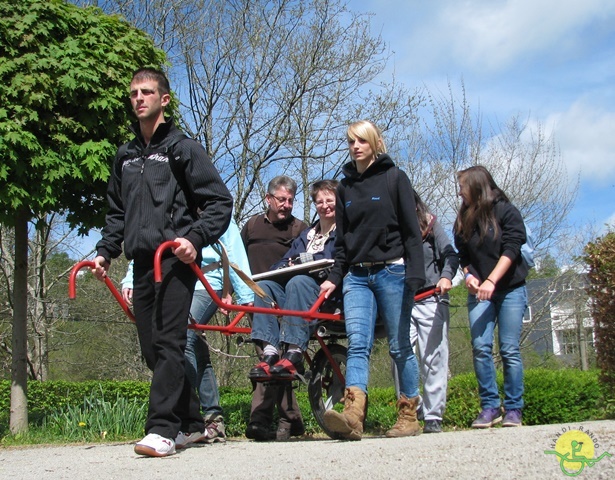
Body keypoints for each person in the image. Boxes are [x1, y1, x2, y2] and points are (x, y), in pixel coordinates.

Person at [91, 68, 233, 457]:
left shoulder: (182, 148)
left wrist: (194, 239)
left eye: (147, 92)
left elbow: (220, 202)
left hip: (173, 261)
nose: (139, 98)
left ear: (164, 100)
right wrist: (105, 252)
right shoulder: (125, 155)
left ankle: (161, 430)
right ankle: (190, 423)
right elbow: (117, 214)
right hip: (141, 263)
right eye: (134, 92)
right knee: (152, 350)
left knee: (171, 343)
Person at [320, 120, 425, 440]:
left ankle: (408, 416)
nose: (355, 146)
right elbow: (342, 242)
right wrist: (334, 277)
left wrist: (416, 273)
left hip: (393, 271)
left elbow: (411, 231)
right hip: (357, 277)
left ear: (375, 143)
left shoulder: (395, 178)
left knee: (399, 346)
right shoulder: (346, 188)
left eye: (361, 141)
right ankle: (353, 415)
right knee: (358, 345)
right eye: (351, 141)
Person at [120, 218, 253, 444]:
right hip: (172, 279)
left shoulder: (215, 214)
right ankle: (211, 417)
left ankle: (184, 418)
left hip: (206, 283)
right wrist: (130, 278)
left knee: (183, 340)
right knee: (191, 348)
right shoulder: (170, 211)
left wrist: (247, 297)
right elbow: (147, 247)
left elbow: (235, 253)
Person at [453, 165, 529, 428]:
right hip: (480, 292)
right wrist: (470, 276)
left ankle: (514, 408)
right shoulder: (463, 218)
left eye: (462, 186)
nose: (459, 192)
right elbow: (463, 254)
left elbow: (512, 249)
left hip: (510, 289)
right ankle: (489, 407)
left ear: (476, 186)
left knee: (509, 349)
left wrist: (491, 281)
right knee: (481, 348)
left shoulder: (506, 211)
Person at [249, 179, 338, 382]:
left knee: (298, 281)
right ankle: (270, 350)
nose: (325, 206)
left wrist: (308, 262)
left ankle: (295, 351)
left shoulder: (342, 234)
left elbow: (339, 260)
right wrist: (287, 265)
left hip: (324, 294)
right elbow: (282, 262)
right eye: (320, 202)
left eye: (330, 201)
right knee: (264, 287)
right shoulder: (308, 235)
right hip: (297, 295)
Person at [241, 175, 308, 442]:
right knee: (268, 362)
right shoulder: (253, 226)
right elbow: (237, 259)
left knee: (279, 364)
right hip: (259, 302)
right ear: (268, 199)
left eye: (291, 200)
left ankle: (271, 421)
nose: (287, 205)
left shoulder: (299, 229)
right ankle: (287, 420)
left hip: (289, 303)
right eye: (281, 199)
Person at [391, 191, 459, 434]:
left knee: (433, 358)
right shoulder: (391, 229)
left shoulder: (430, 223)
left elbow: (450, 254)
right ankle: (410, 409)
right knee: (399, 357)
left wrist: (446, 276)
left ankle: (433, 416)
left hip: (430, 296)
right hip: (401, 300)